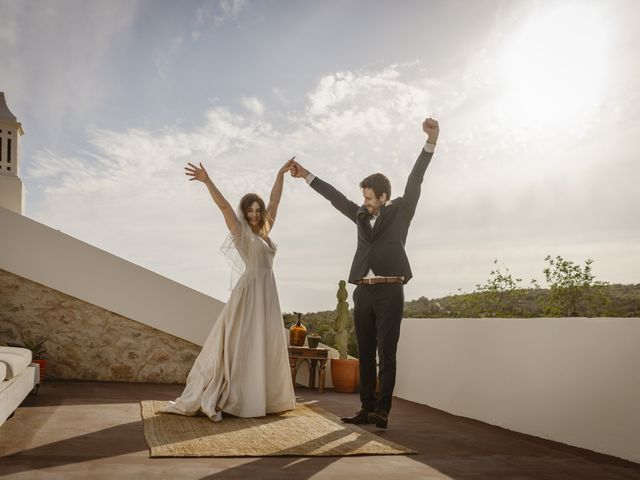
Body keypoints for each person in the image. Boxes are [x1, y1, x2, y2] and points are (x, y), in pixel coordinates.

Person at [290, 117, 439, 429]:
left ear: (383, 197)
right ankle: (366, 407)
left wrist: (431, 140)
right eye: (364, 197)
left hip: (390, 291)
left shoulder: (402, 210)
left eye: (369, 197)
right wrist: (306, 176)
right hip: (363, 291)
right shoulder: (358, 214)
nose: (364, 202)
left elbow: (416, 178)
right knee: (366, 351)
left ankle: (382, 410)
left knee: (387, 353)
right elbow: (336, 198)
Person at [159, 158, 297, 421]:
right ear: (245, 213)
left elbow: (276, 201)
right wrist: (206, 180)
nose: (255, 214)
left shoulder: (266, 229)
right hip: (250, 291)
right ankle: (234, 395)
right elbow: (223, 206)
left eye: (258, 210)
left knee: (264, 341)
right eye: (250, 211)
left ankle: (263, 398)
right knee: (241, 343)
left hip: (268, 292)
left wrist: (280, 173)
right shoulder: (240, 232)